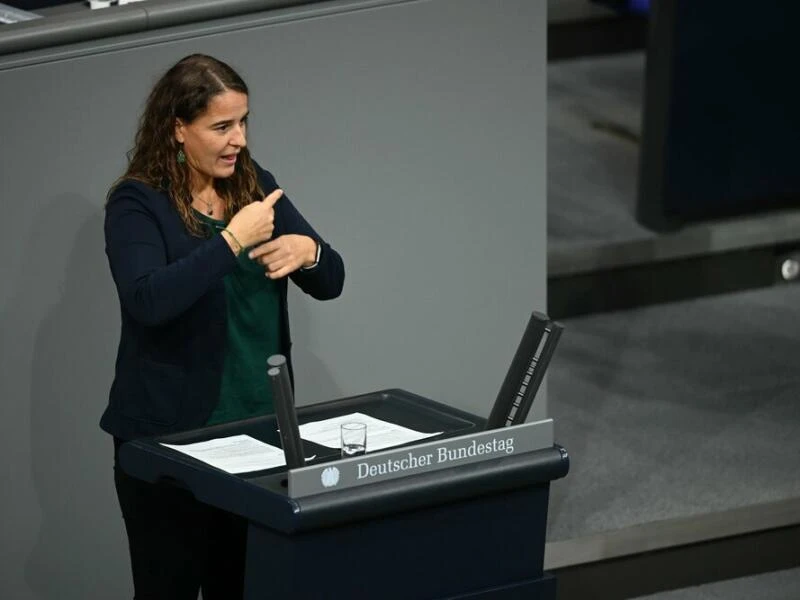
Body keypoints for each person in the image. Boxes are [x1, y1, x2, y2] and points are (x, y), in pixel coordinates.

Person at [100, 54, 345, 599]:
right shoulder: (138, 203)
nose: (238, 139)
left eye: (244, 122)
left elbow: (332, 280)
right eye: (221, 126)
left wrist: (310, 251)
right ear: (177, 129)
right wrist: (233, 240)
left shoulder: (257, 186)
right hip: (168, 441)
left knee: (244, 588)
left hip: (258, 438)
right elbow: (148, 300)